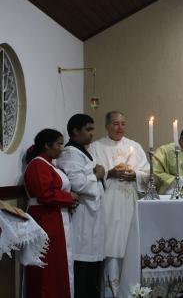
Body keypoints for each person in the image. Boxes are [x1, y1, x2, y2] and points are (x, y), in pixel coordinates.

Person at [88, 111, 149, 297]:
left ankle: (131, 290)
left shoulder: (135, 146)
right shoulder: (96, 147)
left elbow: (146, 173)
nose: (120, 127)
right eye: (115, 124)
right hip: (109, 203)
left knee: (129, 243)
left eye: (123, 123)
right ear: (107, 126)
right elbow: (90, 174)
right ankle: (110, 292)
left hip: (129, 201)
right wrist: (109, 173)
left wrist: (135, 175)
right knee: (111, 245)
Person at [24, 128, 79, 298]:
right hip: (44, 220)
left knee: (57, 264)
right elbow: (45, 194)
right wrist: (69, 197)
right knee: (46, 267)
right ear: (47, 146)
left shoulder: (48, 164)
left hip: (55, 218)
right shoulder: (38, 165)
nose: (62, 148)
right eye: (59, 144)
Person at [57, 114, 105, 298]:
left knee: (92, 267)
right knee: (82, 267)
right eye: (88, 129)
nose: (92, 134)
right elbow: (78, 183)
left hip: (91, 215)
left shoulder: (83, 150)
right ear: (75, 131)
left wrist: (97, 173)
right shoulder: (70, 153)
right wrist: (97, 175)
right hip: (82, 217)